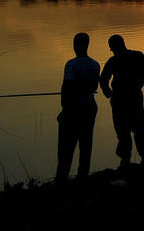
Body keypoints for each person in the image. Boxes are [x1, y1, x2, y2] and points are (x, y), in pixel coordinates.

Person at [99, 34, 144, 169]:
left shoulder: (113, 60)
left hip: (120, 100)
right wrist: (138, 82)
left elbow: (103, 79)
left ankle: (126, 160)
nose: (112, 50)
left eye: (111, 48)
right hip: (132, 97)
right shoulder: (138, 55)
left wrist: (108, 93)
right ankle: (143, 158)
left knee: (123, 130)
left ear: (114, 47)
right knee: (138, 128)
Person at [55, 32, 100, 184]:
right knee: (86, 144)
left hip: (74, 110)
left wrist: (64, 111)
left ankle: (61, 179)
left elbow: (66, 88)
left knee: (65, 148)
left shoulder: (71, 65)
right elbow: (94, 86)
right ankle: (83, 176)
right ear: (87, 45)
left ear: (75, 45)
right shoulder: (95, 64)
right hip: (90, 107)